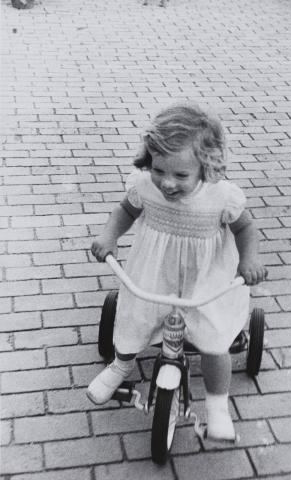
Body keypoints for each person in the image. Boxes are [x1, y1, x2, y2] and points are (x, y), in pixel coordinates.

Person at [87, 103, 267, 440]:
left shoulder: (221, 196)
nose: (167, 183)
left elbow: (245, 229)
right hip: (156, 272)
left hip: (206, 279)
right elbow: (124, 211)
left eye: (181, 175)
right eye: (159, 170)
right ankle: (121, 365)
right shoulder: (144, 185)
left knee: (215, 340)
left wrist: (249, 260)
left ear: (206, 165)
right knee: (135, 317)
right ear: (150, 160)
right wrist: (109, 234)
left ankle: (216, 406)